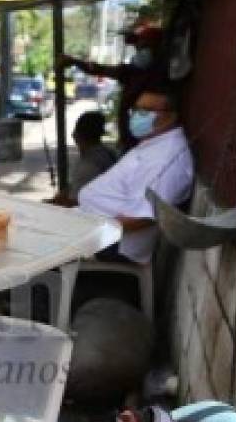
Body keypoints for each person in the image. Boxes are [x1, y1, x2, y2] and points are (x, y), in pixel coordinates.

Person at [77, 83, 194, 263]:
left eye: (146, 111)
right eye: (136, 109)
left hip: (115, 244)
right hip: (96, 227)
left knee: (39, 247)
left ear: (170, 117)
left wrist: (92, 231)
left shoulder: (165, 159)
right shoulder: (155, 143)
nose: (137, 116)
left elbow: (143, 217)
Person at [62, 20, 165, 153]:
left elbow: (98, 69)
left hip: (146, 141)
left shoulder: (159, 75)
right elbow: (97, 69)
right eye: (138, 48)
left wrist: (73, 61)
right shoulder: (132, 72)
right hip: (134, 140)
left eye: (144, 48)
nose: (139, 52)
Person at [49, 110, 117, 205]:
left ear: (77, 135)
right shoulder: (107, 153)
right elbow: (74, 186)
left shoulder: (89, 165)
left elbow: (75, 203)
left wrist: (51, 205)